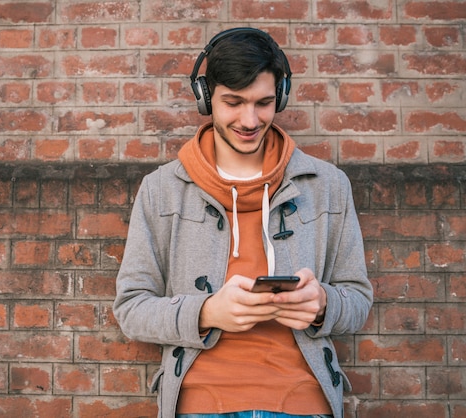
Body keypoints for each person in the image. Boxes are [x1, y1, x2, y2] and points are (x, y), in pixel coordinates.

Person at [113, 27, 373, 418]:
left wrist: (322, 304)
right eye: (233, 103)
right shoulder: (161, 189)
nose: (249, 120)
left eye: (263, 103)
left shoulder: (328, 186)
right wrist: (205, 313)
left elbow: (358, 298)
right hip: (199, 404)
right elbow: (132, 309)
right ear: (206, 99)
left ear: (280, 98)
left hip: (302, 402)